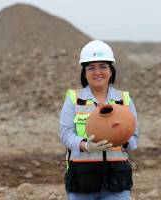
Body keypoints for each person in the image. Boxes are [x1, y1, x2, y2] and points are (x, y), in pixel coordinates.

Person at [59, 40, 139, 200]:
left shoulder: (124, 100)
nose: (97, 72)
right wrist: (85, 146)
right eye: (91, 68)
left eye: (103, 66)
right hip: (82, 180)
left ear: (111, 71)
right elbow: (66, 135)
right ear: (84, 72)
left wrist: (120, 138)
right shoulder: (74, 99)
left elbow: (134, 139)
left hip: (117, 182)